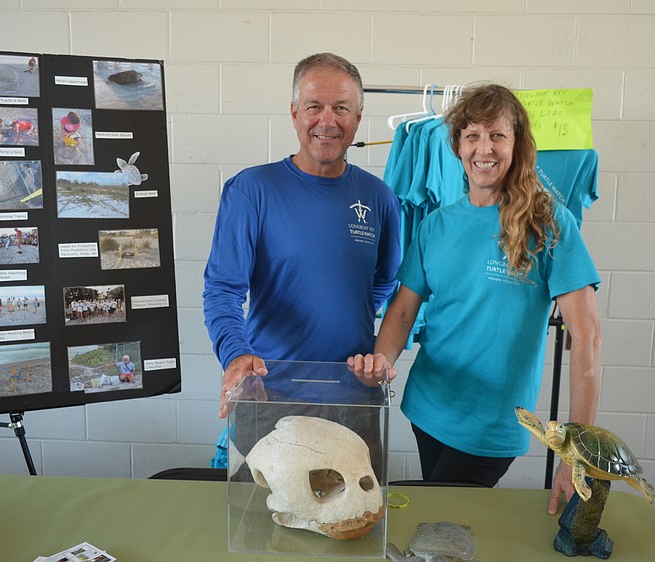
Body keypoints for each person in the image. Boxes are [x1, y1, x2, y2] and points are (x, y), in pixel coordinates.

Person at [348, 84, 602, 516]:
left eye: (498, 135)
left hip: (492, 424)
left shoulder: (548, 221)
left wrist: (578, 451)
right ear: (458, 146)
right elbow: (404, 309)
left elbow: (588, 338)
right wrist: (380, 362)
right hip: (428, 407)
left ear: (517, 144)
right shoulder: (436, 224)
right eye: (473, 136)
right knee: (443, 525)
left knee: (445, 520)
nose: (485, 148)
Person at [203, 52, 401, 419]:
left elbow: (384, 282)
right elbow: (222, 290)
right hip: (268, 391)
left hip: (353, 398)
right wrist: (236, 354)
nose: (327, 121)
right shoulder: (251, 190)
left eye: (341, 108)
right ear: (294, 112)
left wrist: (340, 322)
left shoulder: (380, 198)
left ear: (358, 117)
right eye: (314, 107)